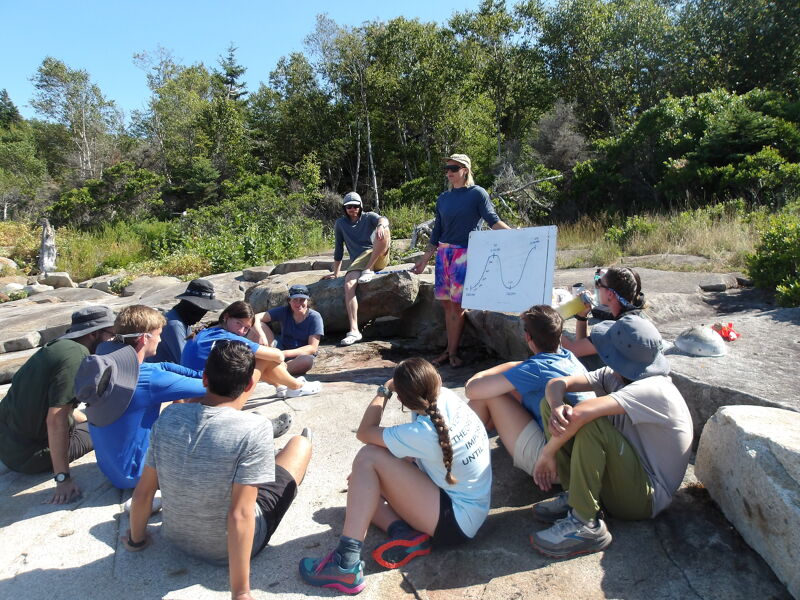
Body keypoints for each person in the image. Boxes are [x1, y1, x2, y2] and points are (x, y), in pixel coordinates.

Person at [123, 341, 312, 600]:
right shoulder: (254, 429)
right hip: (224, 551)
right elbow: (241, 514)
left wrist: (136, 540)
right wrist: (241, 592)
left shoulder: (169, 417)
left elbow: (144, 492)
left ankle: (266, 464)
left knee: (261, 464)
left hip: (176, 537)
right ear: (249, 385)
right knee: (299, 445)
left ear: (204, 379)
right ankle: (282, 455)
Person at [299, 357, 491, 595]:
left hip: (456, 522)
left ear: (402, 399)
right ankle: (404, 532)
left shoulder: (423, 432)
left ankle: (345, 563)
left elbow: (365, 433)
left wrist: (384, 391)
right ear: (438, 380)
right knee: (362, 484)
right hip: (469, 507)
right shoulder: (446, 398)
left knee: (367, 459)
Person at [529, 314, 693, 558]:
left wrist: (547, 454)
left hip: (644, 498)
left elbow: (583, 414)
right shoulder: (618, 376)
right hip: (624, 478)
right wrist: (554, 406)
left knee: (588, 422)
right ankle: (576, 495)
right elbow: (557, 384)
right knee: (551, 406)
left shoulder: (653, 389)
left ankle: (585, 524)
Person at [75, 305, 207, 489]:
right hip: (138, 475)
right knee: (193, 416)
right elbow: (210, 387)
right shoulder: (149, 380)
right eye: (159, 334)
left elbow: (162, 367)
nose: (161, 340)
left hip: (112, 470)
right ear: (145, 338)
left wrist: (197, 373)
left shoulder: (108, 363)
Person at [0, 305, 116, 504]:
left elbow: (61, 406)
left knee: (89, 420)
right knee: (107, 426)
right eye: (112, 334)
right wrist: (63, 479)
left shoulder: (56, 347)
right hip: (30, 456)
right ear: (95, 333)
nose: (114, 339)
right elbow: (56, 419)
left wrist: (85, 418)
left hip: (7, 444)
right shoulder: (77, 357)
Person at [465, 305, 593, 478]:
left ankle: (457, 452)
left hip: (553, 466)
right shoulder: (568, 356)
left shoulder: (535, 369)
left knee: (490, 396)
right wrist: (517, 367)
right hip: (580, 458)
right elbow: (525, 372)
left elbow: (472, 390)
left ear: (527, 337)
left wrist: (482, 374)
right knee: (511, 387)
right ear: (559, 335)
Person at [412, 154, 511, 367]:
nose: (449, 172)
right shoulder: (443, 199)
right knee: (448, 307)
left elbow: (492, 220)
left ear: (465, 169)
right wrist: (424, 260)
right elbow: (437, 232)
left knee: (457, 307)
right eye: (447, 168)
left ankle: (453, 353)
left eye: (454, 168)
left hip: (465, 255)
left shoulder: (477, 194)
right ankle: (450, 351)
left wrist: (516, 235)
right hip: (444, 256)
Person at [181, 301, 322, 398]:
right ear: (226, 317)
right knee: (262, 358)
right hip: (209, 393)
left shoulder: (206, 331)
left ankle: (281, 385)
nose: (242, 331)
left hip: (192, 388)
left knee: (255, 357)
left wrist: (260, 334)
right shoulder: (228, 337)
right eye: (239, 323)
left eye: (246, 328)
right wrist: (280, 363)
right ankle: (296, 386)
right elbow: (278, 356)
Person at [322, 191, 391, 346]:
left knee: (384, 230)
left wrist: (380, 225)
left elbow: (383, 219)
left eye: (355, 206)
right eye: (349, 207)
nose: (352, 209)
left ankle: (369, 269)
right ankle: (354, 329)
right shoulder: (340, 224)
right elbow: (338, 250)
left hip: (377, 255)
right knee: (348, 284)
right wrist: (335, 273)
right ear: (344, 208)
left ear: (360, 206)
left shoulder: (369, 217)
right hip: (358, 262)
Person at [561, 266, 645, 357]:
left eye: (599, 283)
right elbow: (582, 349)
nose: (597, 288)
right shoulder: (636, 316)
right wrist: (582, 316)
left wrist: (547, 322)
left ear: (610, 294)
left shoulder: (615, 330)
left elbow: (572, 350)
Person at [250, 284, 324, 380]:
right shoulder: (284, 311)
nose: (298, 303)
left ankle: (273, 371)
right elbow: (255, 318)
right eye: (295, 300)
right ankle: (264, 366)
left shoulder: (314, 317)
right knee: (257, 327)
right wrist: (261, 335)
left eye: (302, 299)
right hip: (281, 347)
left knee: (307, 361)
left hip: (299, 355)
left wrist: (284, 354)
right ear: (289, 301)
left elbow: (312, 348)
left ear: (307, 300)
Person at [145, 278, 226, 364]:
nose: (200, 316)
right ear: (190, 305)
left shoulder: (182, 320)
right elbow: (186, 361)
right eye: (200, 310)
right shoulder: (175, 324)